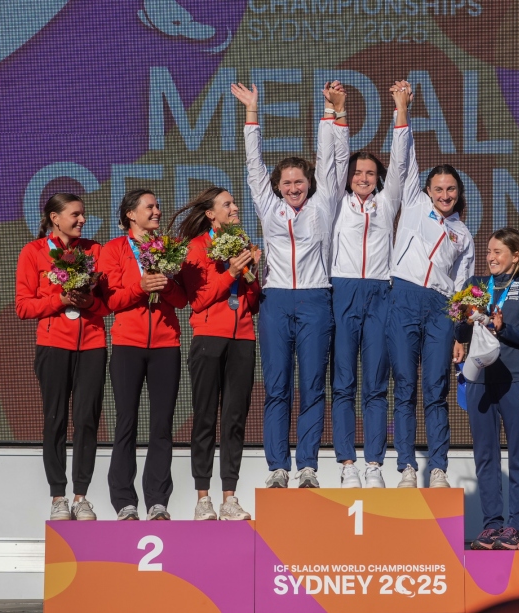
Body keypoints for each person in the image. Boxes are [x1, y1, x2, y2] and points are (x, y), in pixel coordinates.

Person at [229, 80, 349, 488]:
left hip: (317, 300)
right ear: (277, 187)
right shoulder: (268, 205)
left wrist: (331, 114)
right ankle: (278, 467)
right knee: (278, 385)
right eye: (286, 183)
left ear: (309, 184)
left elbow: (330, 160)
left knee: (313, 385)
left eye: (299, 182)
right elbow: (254, 164)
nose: (293, 188)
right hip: (276, 300)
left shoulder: (323, 204)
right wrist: (251, 114)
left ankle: (309, 467)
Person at [387, 80, 475, 489]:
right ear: (427, 191)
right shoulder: (415, 203)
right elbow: (404, 157)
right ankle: (406, 467)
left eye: (451, 189)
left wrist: (461, 333)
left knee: (435, 390)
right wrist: (402, 108)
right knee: (404, 386)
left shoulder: (465, 234)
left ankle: (437, 468)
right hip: (402, 297)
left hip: (440, 309)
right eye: (438, 188)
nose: (444, 194)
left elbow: (461, 290)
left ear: (459, 194)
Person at [329, 84, 412, 488]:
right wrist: (336, 112)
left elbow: (400, 162)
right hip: (342, 291)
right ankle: (347, 465)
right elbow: (332, 157)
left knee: (376, 384)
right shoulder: (334, 202)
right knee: (343, 382)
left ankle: (375, 465)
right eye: (357, 173)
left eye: (370, 173)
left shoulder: (388, 200)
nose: (363, 177)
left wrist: (400, 109)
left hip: (382, 291)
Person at [15, 192, 108, 521]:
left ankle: (81, 497)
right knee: (55, 421)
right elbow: (24, 306)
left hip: (93, 344)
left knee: (87, 420)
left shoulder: (94, 251)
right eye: (75, 214)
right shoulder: (34, 252)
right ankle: (58, 497)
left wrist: (88, 304)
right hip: (53, 346)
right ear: (55, 218)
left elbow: (108, 303)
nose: (82, 220)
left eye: (83, 215)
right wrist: (60, 299)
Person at [172, 187, 260, 519]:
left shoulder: (241, 244)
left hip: (243, 338)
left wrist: (252, 273)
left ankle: (230, 498)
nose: (235, 207)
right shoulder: (196, 248)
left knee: (235, 420)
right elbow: (199, 299)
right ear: (211, 214)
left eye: (234, 202)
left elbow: (252, 302)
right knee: (206, 418)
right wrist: (232, 272)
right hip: (209, 337)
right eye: (228, 204)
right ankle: (203, 499)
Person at [98, 189, 186, 521]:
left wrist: (167, 286)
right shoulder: (114, 249)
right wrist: (141, 287)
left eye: (158, 205)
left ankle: (158, 502)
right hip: (128, 345)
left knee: (162, 426)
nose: (157, 211)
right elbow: (111, 302)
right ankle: (124, 502)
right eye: (150, 207)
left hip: (166, 345)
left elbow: (181, 301)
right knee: (126, 423)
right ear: (131, 215)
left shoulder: (168, 249)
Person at [456, 228, 519, 551]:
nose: (491, 257)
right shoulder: (475, 286)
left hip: (515, 379)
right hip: (479, 379)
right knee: (485, 456)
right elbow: (460, 332)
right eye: (489, 252)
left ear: (515, 256)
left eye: (498, 252)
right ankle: (492, 524)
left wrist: (503, 328)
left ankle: (515, 527)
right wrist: (466, 319)